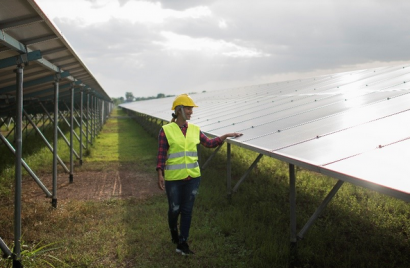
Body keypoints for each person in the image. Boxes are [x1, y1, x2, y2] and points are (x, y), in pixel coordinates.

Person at [156, 93, 243, 255]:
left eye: (191, 109)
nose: (191, 112)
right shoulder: (166, 131)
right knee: (174, 209)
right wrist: (160, 173)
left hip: (192, 178)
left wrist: (225, 136)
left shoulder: (195, 129)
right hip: (174, 179)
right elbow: (161, 154)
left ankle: (183, 243)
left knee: (187, 210)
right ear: (179, 109)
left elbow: (209, 143)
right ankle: (173, 231)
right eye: (188, 108)